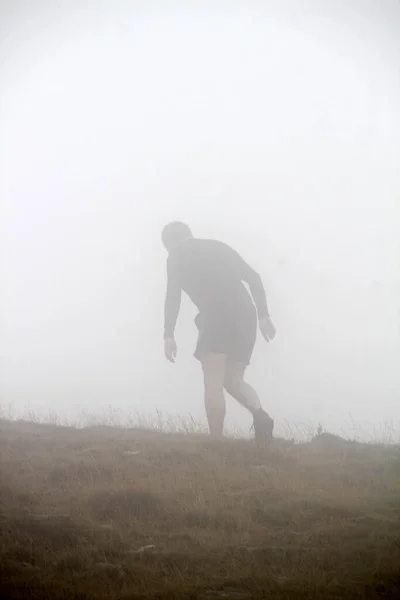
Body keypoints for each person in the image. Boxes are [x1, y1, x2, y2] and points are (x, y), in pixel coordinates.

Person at [162, 221, 276, 443]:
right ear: (190, 233)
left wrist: (168, 334)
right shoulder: (219, 246)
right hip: (246, 315)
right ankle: (261, 417)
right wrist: (263, 316)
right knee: (234, 379)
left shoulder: (176, 255)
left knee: (213, 377)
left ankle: (216, 442)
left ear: (168, 244)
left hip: (215, 316)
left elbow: (172, 296)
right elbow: (254, 278)